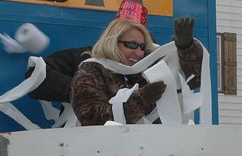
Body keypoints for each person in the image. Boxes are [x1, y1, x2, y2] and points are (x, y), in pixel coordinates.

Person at [68, 16, 203, 126]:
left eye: (142, 47)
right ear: (112, 42)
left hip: (153, 150)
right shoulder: (90, 72)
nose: (138, 53)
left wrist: (187, 49)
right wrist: (141, 99)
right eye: (132, 45)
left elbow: (191, 80)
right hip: (107, 153)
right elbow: (93, 119)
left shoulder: (149, 68)